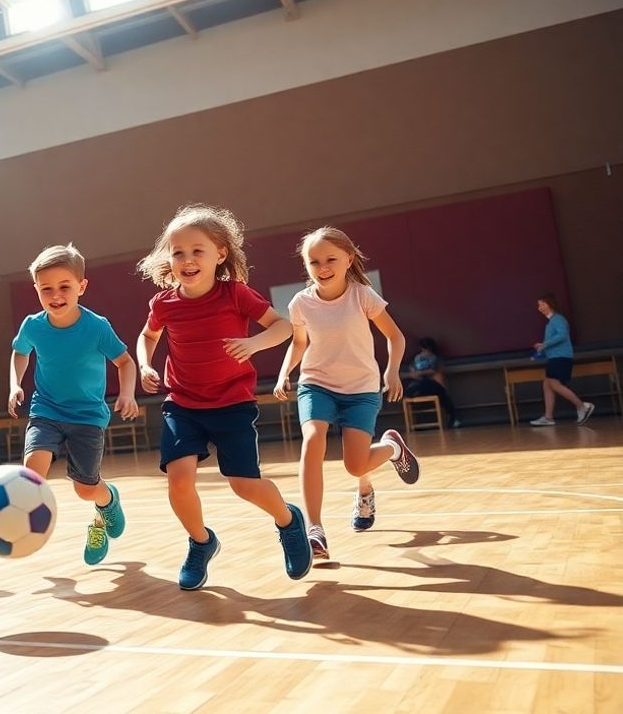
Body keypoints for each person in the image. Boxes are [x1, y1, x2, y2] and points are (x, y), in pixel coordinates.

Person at [135, 205, 312, 590]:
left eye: (197, 250)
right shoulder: (164, 303)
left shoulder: (235, 294)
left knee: (243, 484)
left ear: (220, 254)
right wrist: (145, 364)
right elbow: (147, 336)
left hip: (232, 403)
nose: (186, 259)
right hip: (182, 403)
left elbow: (282, 326)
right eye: (178, 252)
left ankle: (288, 521)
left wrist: (253, 343)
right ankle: (201, 542)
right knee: (179, 481)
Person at [273, 227, 421, 562]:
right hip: (317, 383)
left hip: (361, 389)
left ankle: (391, 448)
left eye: (330, 260)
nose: (322, 267)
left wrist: (392, 370)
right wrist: (285, 374)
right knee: (313, 439)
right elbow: (298, 344)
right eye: (314, 262)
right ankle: (314, 530)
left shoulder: (362, 296)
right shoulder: (301, 303)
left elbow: (395, 337)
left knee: (355, 466)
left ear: (348, 259)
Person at [9, 243, 138, 565]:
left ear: (81, 287)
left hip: (88, 417)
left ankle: (105, 507)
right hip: (46, 410)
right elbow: (21, 352)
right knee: (32, 472)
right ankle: (26, 527)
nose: (55, 295)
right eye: (46, 289)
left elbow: (125, 362)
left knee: (85, 489)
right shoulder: (33, 325)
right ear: (36, 289)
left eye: (64, 286)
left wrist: (127, 394)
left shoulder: (97, 327)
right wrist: (14, 384)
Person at [530, 294, 595, 426]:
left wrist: (545, 344)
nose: (540, 307)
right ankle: (548, 417)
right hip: (555, 357)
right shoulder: (550, 323)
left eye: (542, 304)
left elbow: (562, 335)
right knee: (547, 384)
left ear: (550, 304)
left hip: (561, 357)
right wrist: (542, 349)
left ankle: (582, 406)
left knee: (553, 383)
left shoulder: (558, 319)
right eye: (538, 305)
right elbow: (554, 340)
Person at [404, 337, 459, 428]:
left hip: (432, 385)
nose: (424, 351)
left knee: (440, 392)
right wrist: (416, 373)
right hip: (419, 384)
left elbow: (434, 371)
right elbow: (413, 372)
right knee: (413, 389)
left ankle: (452, 418)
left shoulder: (435, 358)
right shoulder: (417, 358)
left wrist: (422, 373)